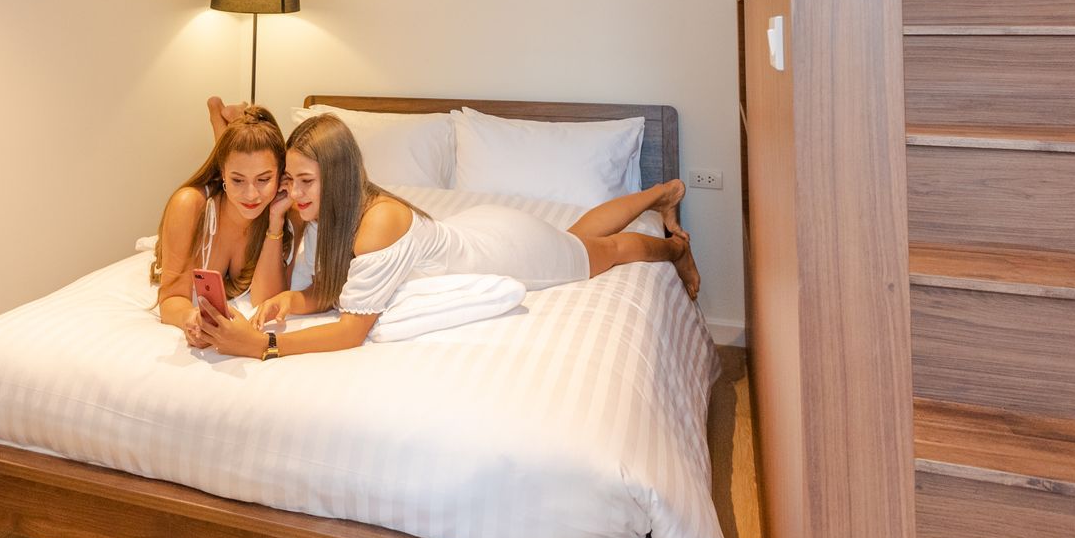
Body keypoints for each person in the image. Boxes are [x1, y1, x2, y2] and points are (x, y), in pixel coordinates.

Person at [191, 112, 696, 359]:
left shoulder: (379, 222)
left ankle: (674, 245)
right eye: (290, 181)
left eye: (305, 182)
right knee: (578, 236)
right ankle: (659, 193)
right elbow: (301, 293)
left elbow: (351, 329)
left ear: (338, 176)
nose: (293, 193)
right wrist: (279, 229)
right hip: (477, 228)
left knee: (602, 250)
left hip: (508, 250)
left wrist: (263, 346)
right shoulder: (322, 212)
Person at [150, 104, 297, 346]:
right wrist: (190, 318)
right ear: (223, 174)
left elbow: (265, 298)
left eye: (264, 179)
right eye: (237, 179)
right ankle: (220, 118)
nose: (251, 195)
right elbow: (171, 297)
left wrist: (275, 221)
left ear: (281, 174)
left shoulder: (284, 209)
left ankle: (228, 121)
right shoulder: (188, 205)